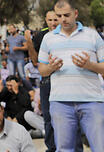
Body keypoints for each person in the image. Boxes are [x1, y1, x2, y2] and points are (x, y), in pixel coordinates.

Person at [38, 0, 104, 152]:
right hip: (60, 103)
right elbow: (42, 70)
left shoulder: (92, 35)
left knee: (101, 148)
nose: (62, 20)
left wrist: (89, 65)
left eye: (66, 15)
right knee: (64, 149)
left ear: (76, 13)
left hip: (92, 101)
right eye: (59, 16)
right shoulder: (48, 38)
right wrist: (51, 67)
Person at [27, 10, 61, 152]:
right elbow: (34, 60)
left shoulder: (65, 34)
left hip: (62, 80)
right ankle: (51, 147)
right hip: (46, 81)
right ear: (45, 20)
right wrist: (29, 41)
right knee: (47, 116)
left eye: (55, 20)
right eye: (50, 20)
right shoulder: (41, 35)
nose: (53, 23)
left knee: (62, 115)